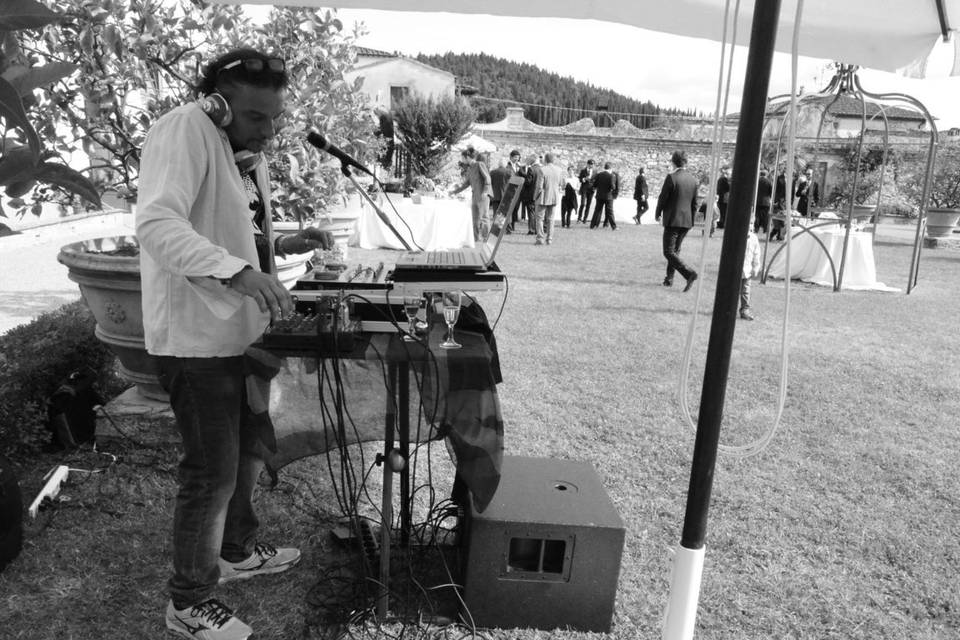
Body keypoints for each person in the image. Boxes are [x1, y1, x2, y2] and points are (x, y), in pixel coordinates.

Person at [136, 48, 334, 640]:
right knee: (211, 472)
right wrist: (239, 274)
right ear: (218, 103)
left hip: (237, 335)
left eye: (275, 118)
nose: (269, 131)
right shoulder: (183, 130)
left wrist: (288, 240)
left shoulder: (229, 143)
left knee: (249, 449)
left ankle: (236, 552)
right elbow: (158, 225)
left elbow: (223, 226)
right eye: (256, 118)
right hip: (195, 342)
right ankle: (190, 601)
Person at [655, 150, 699, 291]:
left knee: (668, 252)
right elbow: (695, 204)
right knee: (675, 251)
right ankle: (669, 279)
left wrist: (657, 212)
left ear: (673, 162)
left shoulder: (672, 177)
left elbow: (663, 198)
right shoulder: (693, 180)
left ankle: (689, 273)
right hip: (686, 221)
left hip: (673, 220)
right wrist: (691, 220)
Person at [451, 146, 493, 240]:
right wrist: (454, 192)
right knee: (475, 218)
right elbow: (466, 184)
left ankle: (486, 238)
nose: (461, 160)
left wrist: (485, 192)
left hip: (483, 195)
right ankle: (475, 238)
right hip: (475, 196)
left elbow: (488, 178)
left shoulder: (480, 164)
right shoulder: (470, 169)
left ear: (468, 157)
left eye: (462, 158)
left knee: (484, 217)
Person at [534, 152, 564, 245]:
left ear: (545, 160)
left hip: (543, 196)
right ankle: (549, 238)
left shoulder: (542, 170)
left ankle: (540, 238)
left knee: (539, 218)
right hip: (554, 196)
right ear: (553, 160)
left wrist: (535, 196)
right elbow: (561, 184)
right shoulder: (559, 170)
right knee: (551, 219)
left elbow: (539, 186)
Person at [740, 215, 762, 321]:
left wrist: (756, 267)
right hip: (735, 270)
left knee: (746, 291)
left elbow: (756, 254)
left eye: (751, 223)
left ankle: (745, 310)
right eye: (748, 223)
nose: (750, 225)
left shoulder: (754, 238)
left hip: (747, 270)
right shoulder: (737, 236)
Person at [590, 161, 619, 230]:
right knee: (610, 212)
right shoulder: (611, 176)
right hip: (608, 196)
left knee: (597, 211)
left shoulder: (599, 174)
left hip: (599, 195)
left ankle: (593, 225)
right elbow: (613, 187)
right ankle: (614, 227)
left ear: (604, 168)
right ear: (610, 168)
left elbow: (594, 185)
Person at [489, 158, 514, 232]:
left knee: (496, 212)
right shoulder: (509, 172)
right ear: (505, 164)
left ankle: (497, 229)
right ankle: (508, 228)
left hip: (496, 195)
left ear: (498, 164)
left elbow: (490, 183)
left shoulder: (493, 172)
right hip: (506, 195)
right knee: (507, 213)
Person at [520, 154, 541, 235]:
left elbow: (528, 182)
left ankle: (532, 230)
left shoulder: (531, 169)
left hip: (531, 194)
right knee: (536, 213)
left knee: (531, 213)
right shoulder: (541, 169)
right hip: (538, 194)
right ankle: (536, 229)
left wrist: (523, 179)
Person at [755, 168, 773, 235]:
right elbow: (771, 192)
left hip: (757, 200)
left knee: (757, 215)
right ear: (766, 174)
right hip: (766, 201)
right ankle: (765, 228)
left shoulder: (757, 181)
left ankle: (756, 228)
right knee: (765, 216)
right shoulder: (768, 181)